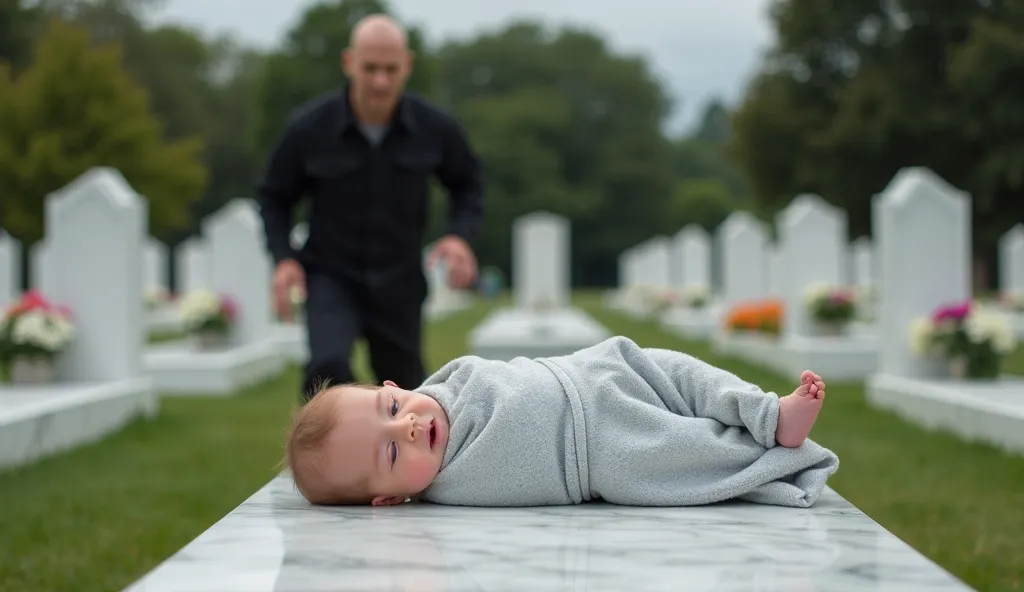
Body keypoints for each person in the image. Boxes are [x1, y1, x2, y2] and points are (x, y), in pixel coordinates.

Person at [283, 336, 840, 509]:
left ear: (394, 388)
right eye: (390, 455)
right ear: (389, 500)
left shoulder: (445, 382)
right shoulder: (447, 490)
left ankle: (767, 412)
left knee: (682, 374)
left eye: (393, 409)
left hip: (595, 369)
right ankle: (769, 452)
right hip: (605, 450)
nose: (405, 428)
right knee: (696, 453)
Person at [255, 14, 484, 403]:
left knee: (408, 392)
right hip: (331, 276)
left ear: (407, 65)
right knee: (325, 373)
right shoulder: (310, 128)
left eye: (390, 69)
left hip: (399, 280)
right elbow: (274, 196)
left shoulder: (436, 128)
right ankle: (324, 462)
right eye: (370, 68)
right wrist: (283, 259)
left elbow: (469, 184)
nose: (380, 81)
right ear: (349, 62)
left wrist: (459, 237)